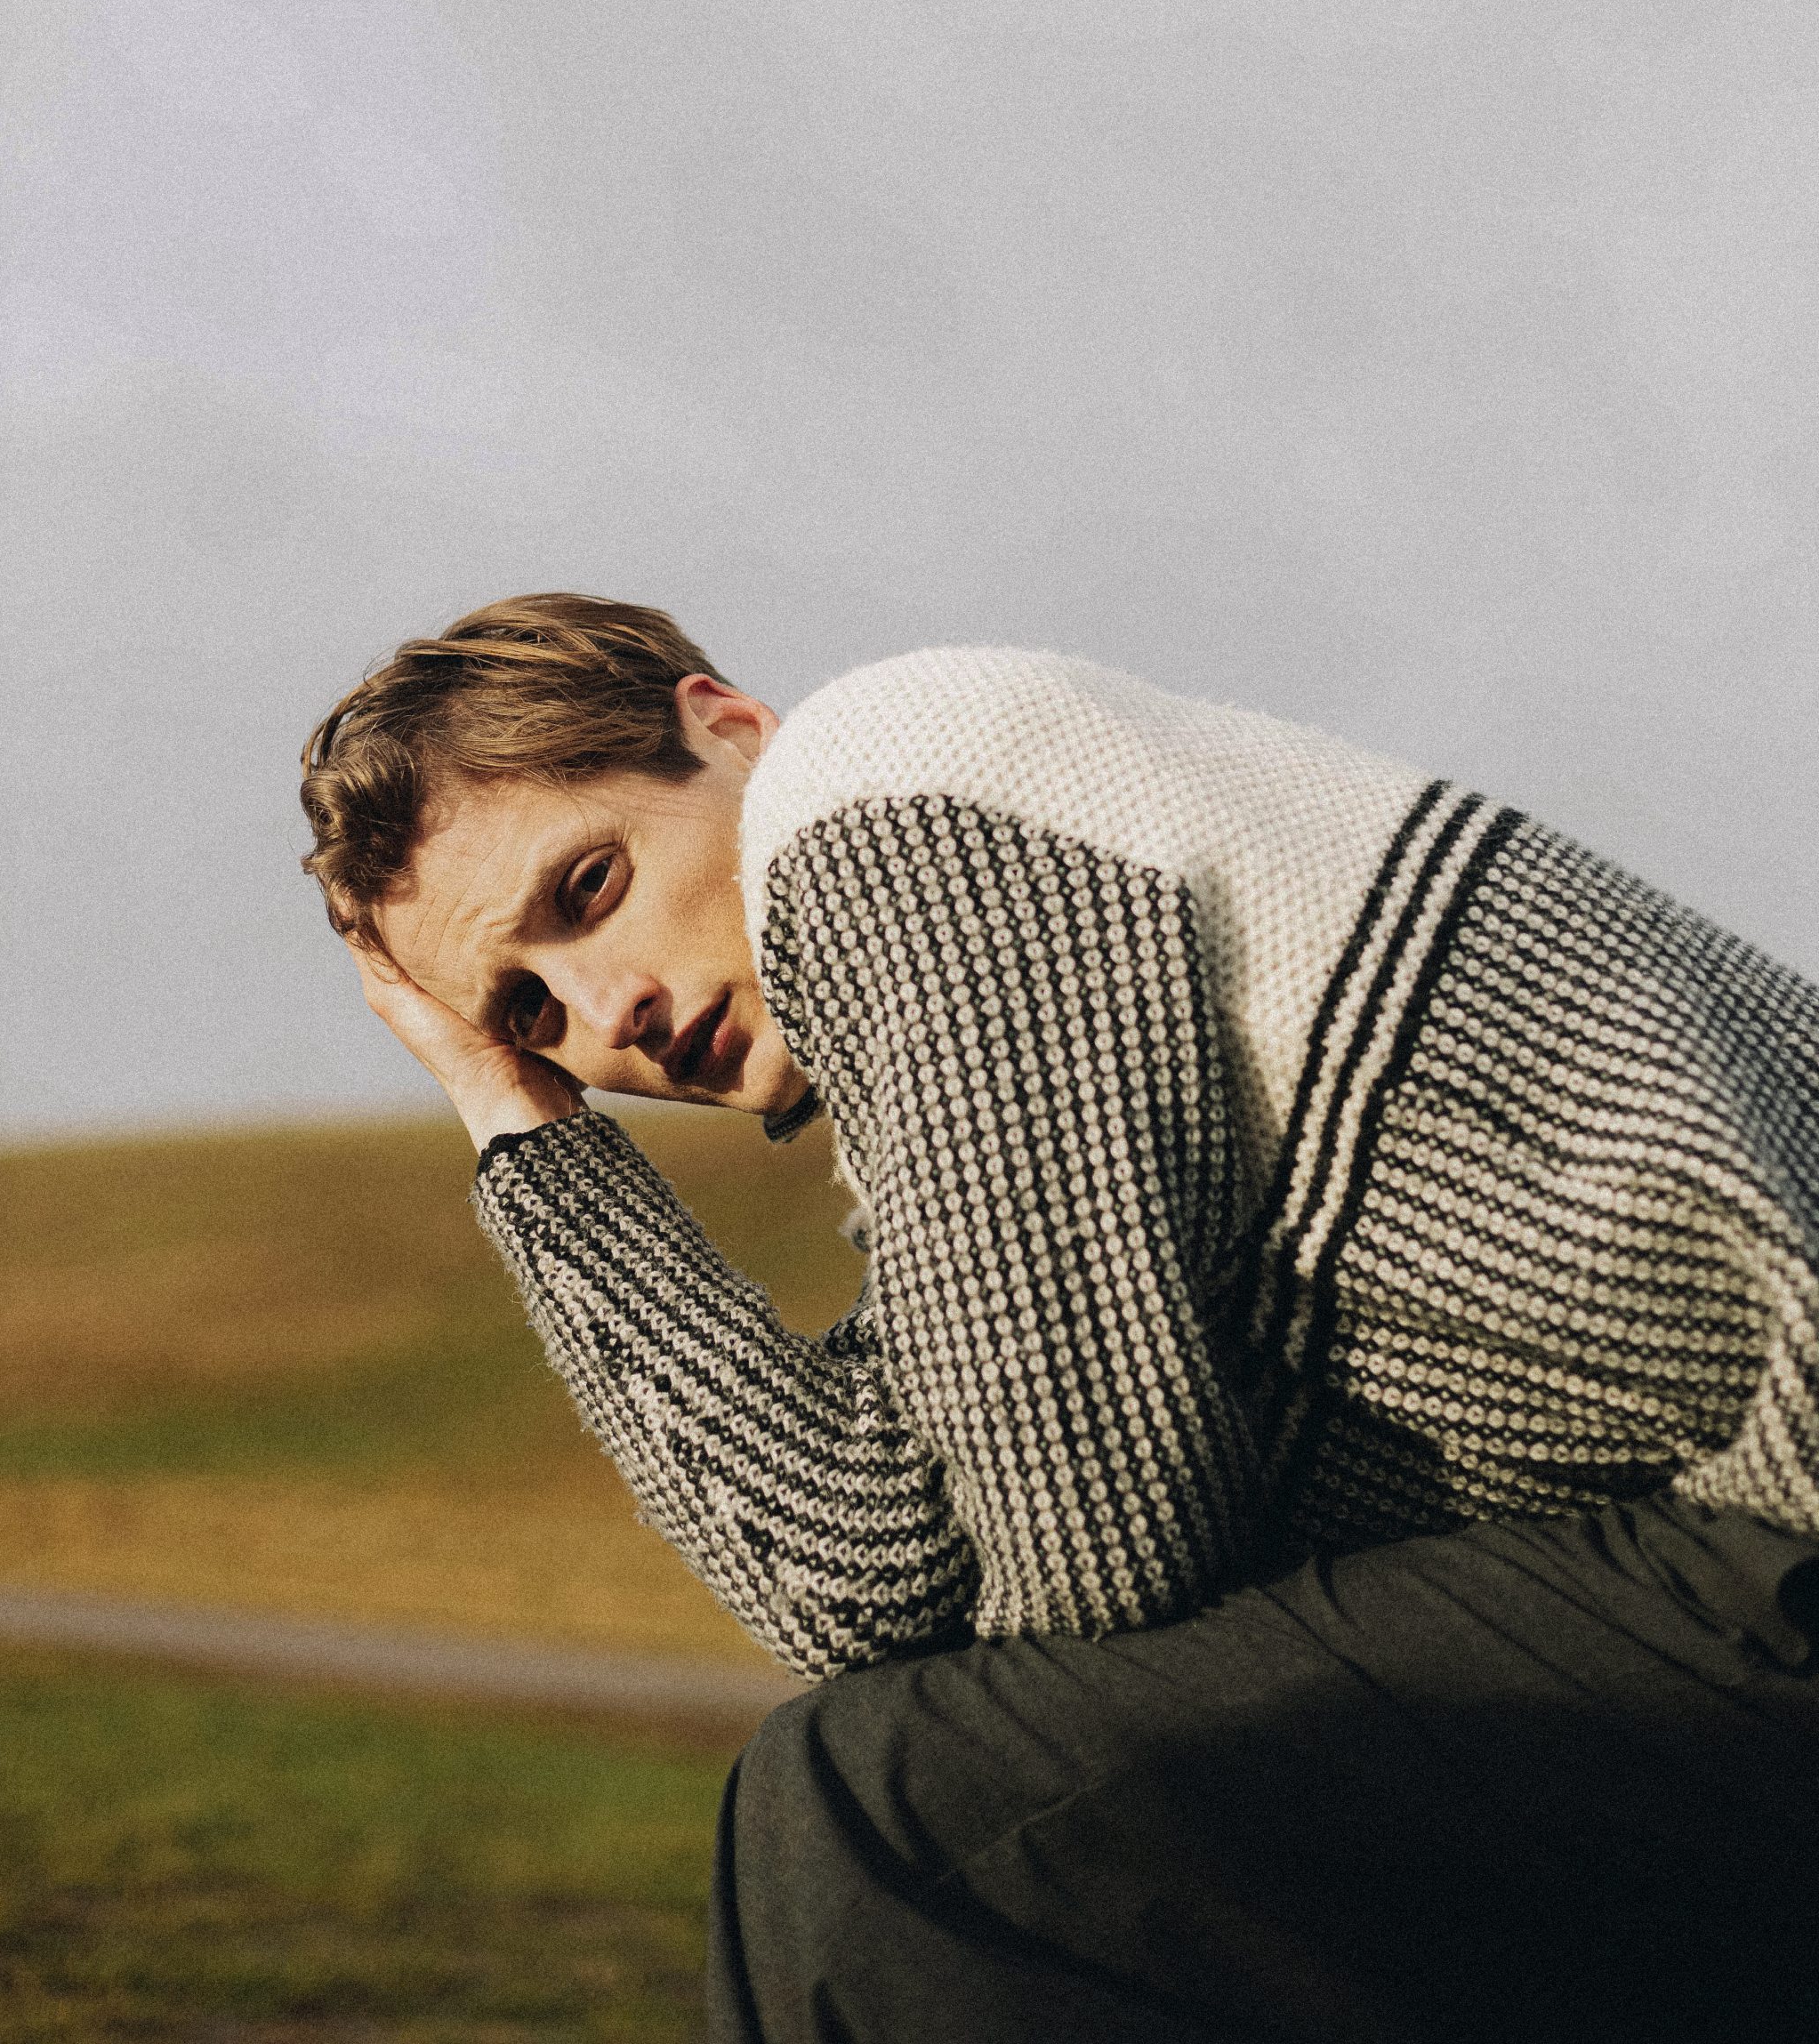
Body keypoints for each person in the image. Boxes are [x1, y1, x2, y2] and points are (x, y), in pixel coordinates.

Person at [301, 591, 1819, 2043]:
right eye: (529, 1011)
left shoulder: (891, 789)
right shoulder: (935, 1032)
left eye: (588, 889)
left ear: (732, 729)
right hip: (1717, 1579)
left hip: (1780, 1529)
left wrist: (511, 1078)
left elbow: (1097, 1548)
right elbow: (856, 1583)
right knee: (892, 1776)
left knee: (892, 1803)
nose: (603, 1011)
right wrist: (516, 1121)